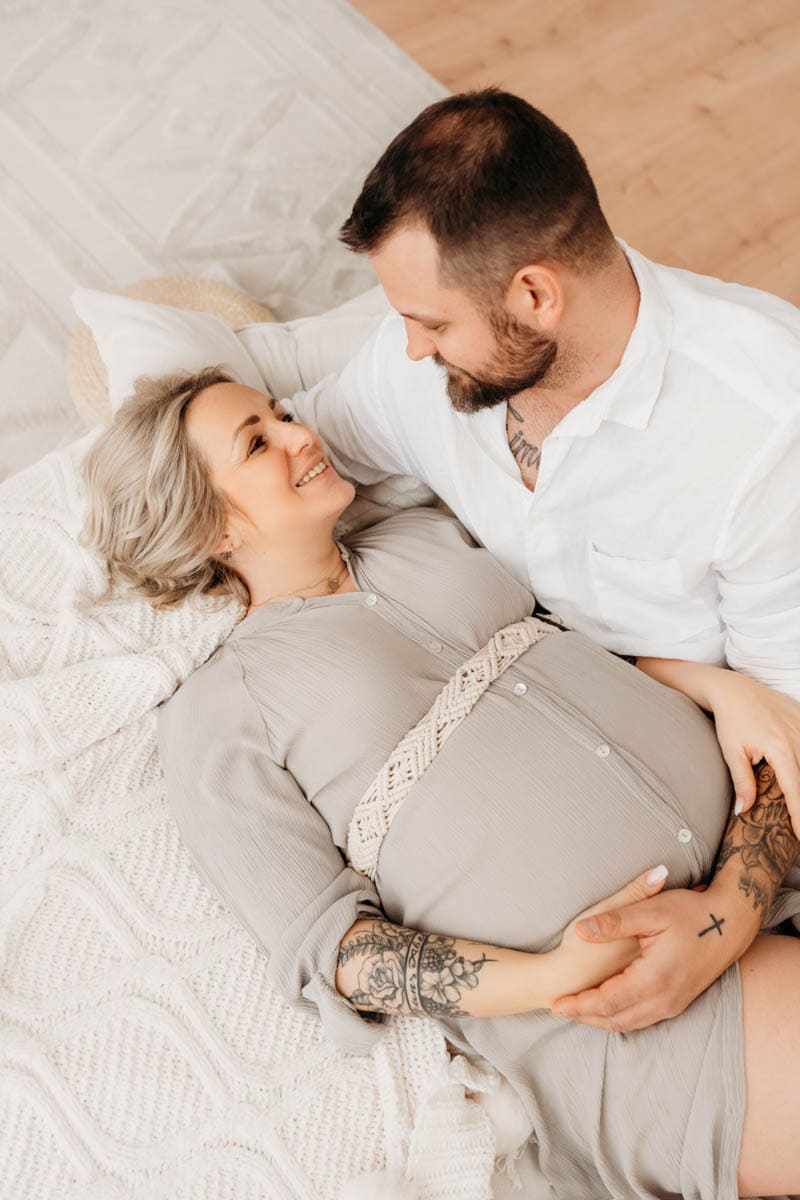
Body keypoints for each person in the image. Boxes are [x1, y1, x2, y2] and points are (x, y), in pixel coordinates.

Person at [81, 368, 800, 1199]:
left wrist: (720, 689)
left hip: (758, 855)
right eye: (256, 442)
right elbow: (340, 953)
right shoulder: (217, 714)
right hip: (642, 1003)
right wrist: (553, 976)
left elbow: (592, 634)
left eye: (280, 412)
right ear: (205, 525)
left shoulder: (423, 532)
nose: (298, 432)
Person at [279, 87, 800, 1033]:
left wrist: (723, 923)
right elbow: (296, 450)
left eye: (431, 323)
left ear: (533, 295)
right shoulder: (421, 370)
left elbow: (786, 724)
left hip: (726, 825)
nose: (407, 346)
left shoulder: (767, 430)